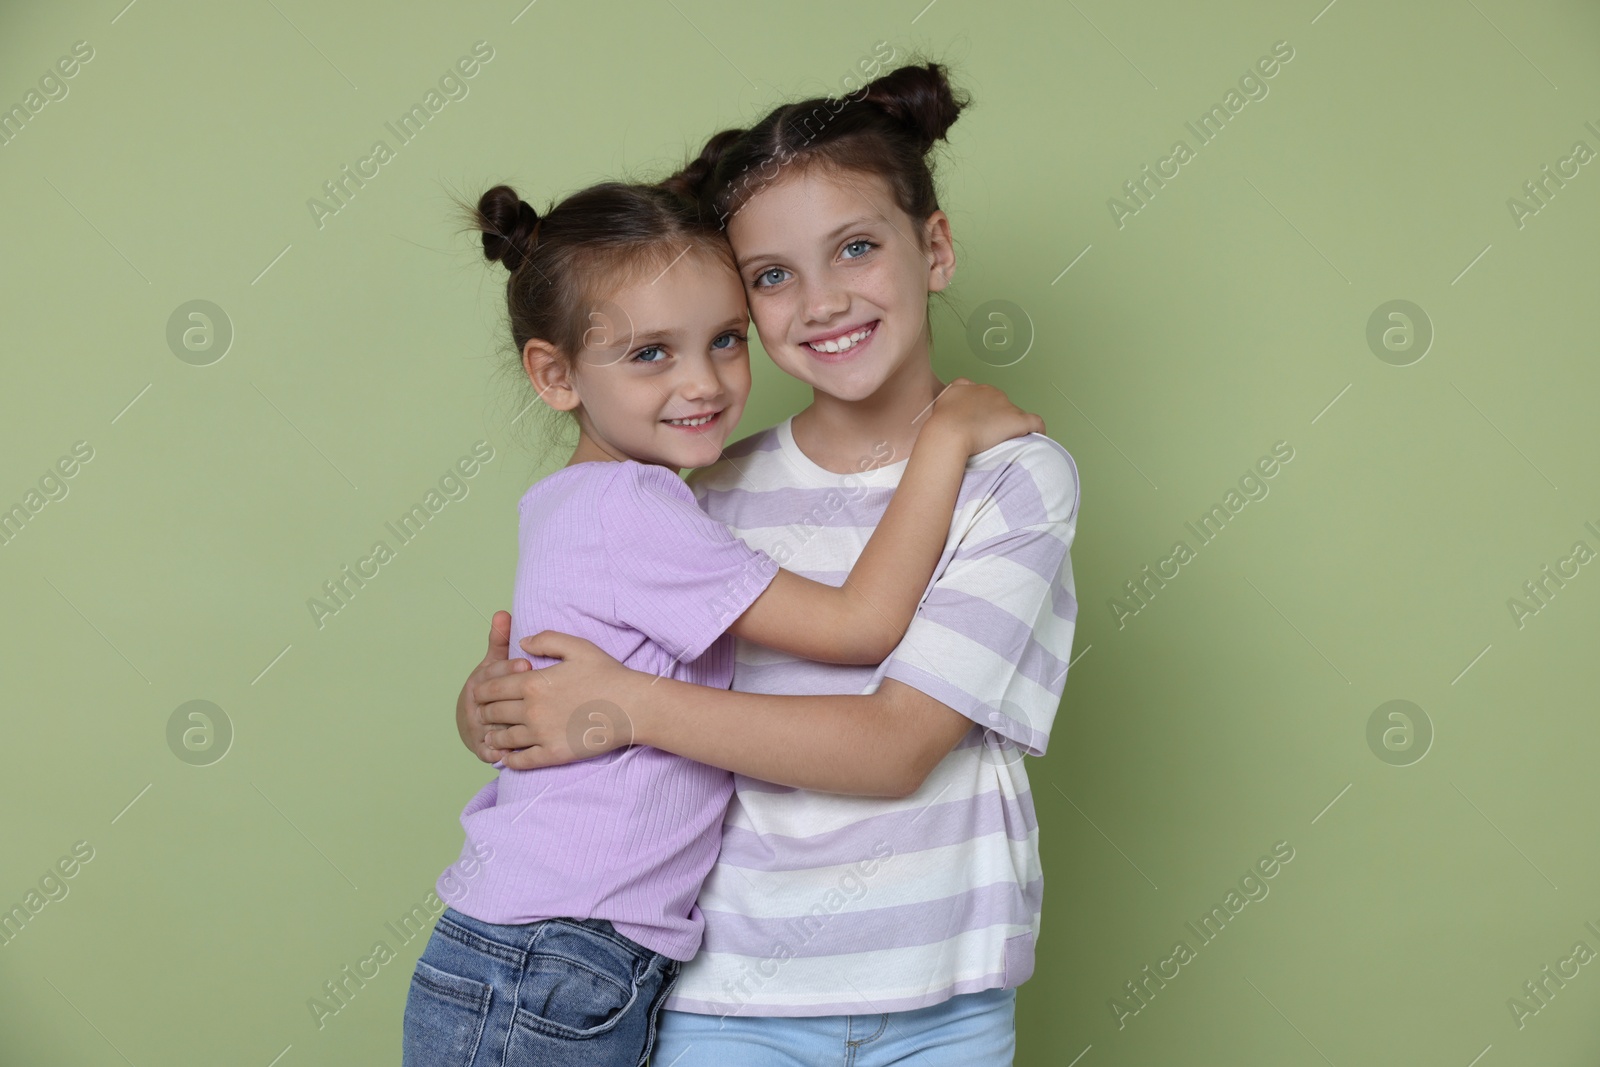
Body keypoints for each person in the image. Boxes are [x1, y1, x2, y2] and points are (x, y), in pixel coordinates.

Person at [457, 61, 1079, 1066]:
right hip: (725, 990)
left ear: (935, 246)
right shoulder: (696, 489)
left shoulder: (1011, 479)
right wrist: (499, 700)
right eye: (773, 276)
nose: (823, 300)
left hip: (941, 990)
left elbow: (892, 747)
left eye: (858, 248)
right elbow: (579, 669)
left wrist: (618, 702)